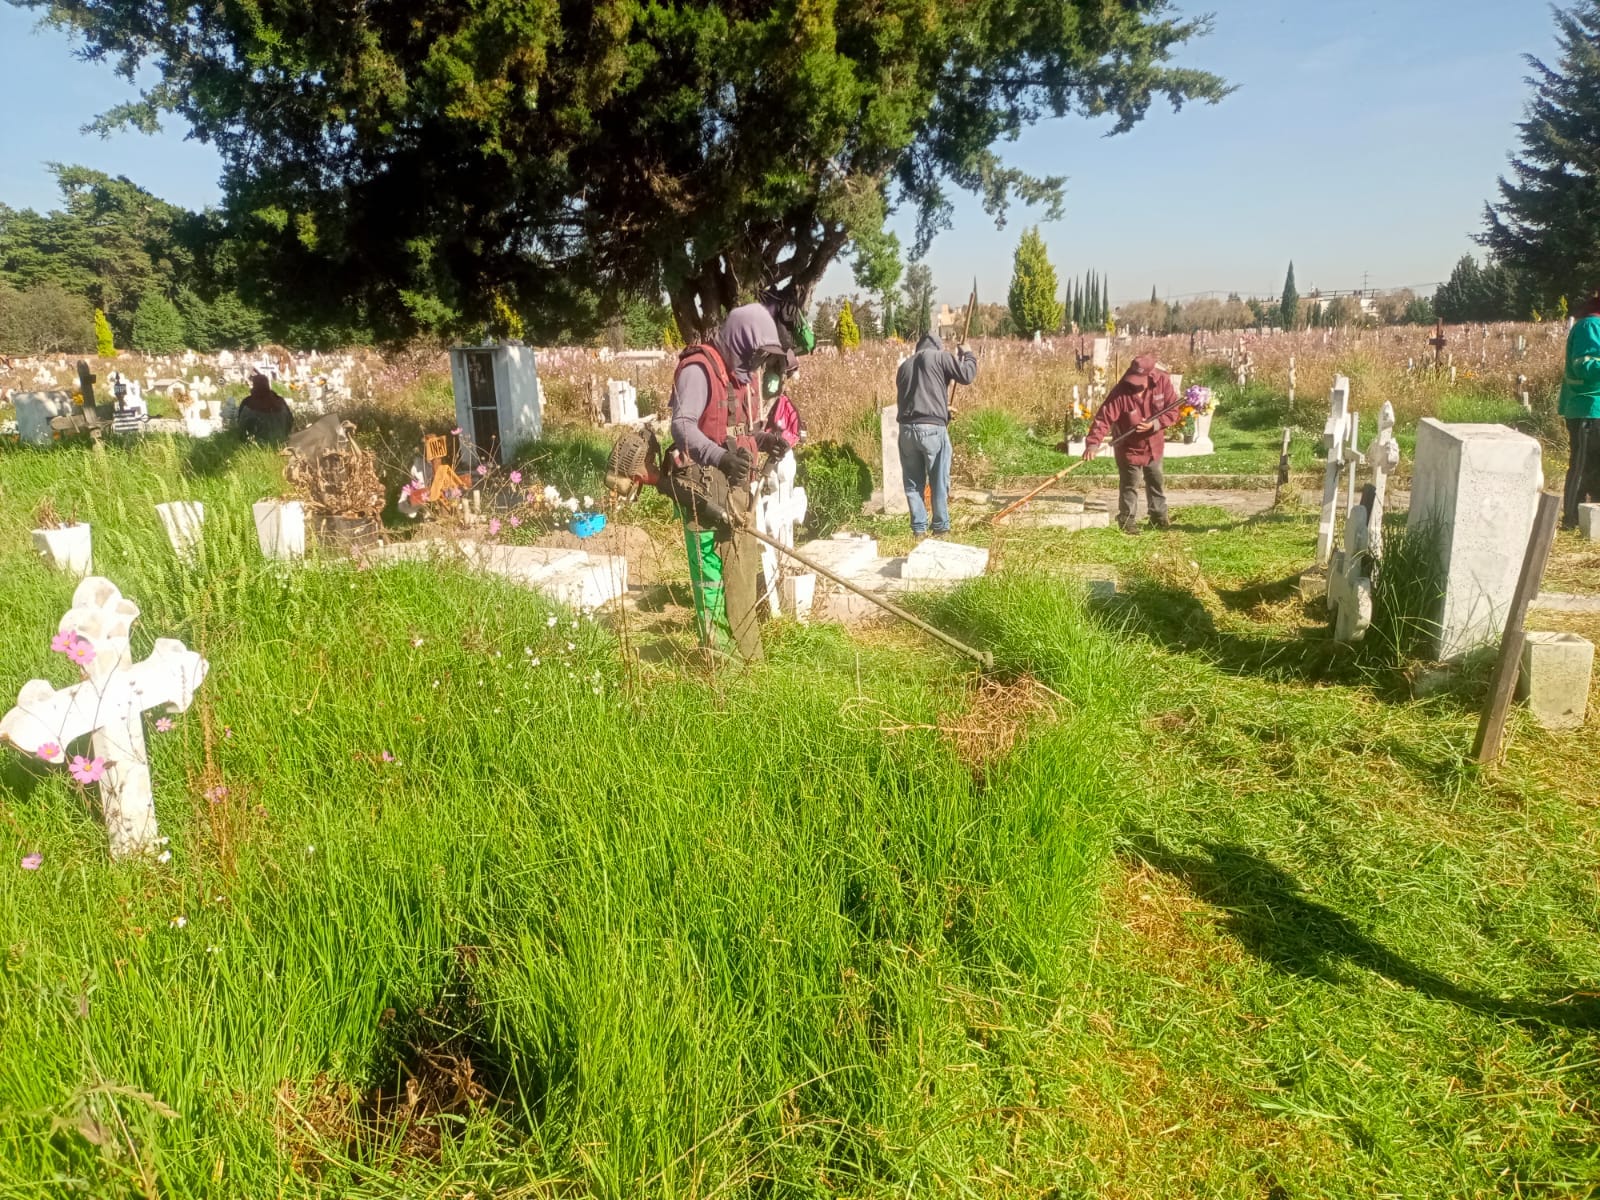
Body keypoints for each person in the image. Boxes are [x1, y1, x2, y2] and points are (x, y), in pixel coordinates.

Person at [668, 296, 809, 662]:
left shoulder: (737, 375)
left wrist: (763, 440)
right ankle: (720, 666)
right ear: (739, 340)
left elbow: (732, 429)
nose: (756, 364)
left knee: (740, 576)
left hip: (735, 492)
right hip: (704, 493)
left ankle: (747, 659)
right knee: (712, 579)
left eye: (761, 358)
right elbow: (682, 427)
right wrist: (719, 458)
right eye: (755, 355)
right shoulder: (698, 370)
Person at [1083, 354, 1183, 534]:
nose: (1135, 385)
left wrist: (1155, 424)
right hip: (1128, 447)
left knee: (1156, 480)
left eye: (1139, 381)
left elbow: (1173, 412)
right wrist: (1093, 444)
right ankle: (1127, 520)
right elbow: (1103, 418)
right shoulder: (1120, 391)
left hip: (1154, 445)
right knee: (1130, 484)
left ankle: (1158, 517)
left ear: (1150, 375)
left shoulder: (1162, 383)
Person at [895, 332, 977, 536]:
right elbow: (967, 375)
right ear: (938, 347)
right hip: (932, 430)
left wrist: (943, 411)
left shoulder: (904, 366)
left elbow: (916, 397)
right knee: (938, 480)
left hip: (906, 431)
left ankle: (919, 529)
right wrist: (968, 354)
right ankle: (940, 527)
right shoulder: (941, 357)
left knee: (913, 484)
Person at [1560, 290, 1600, 529]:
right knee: (1583, 467)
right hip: (1588, 408)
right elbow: (1584, 366)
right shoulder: (1590, 326)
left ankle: (1593, 520)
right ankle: (1571, 519)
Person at [237, 372, 293, 442]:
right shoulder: (280, 401)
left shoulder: (248, 403)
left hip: (258, 443)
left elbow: (241, 428)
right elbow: (290, 421)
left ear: (254, 385)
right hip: (281, 441)